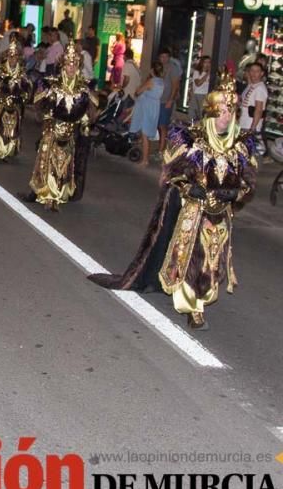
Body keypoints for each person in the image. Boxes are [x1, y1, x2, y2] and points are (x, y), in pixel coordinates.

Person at [89, 74, 258, 330]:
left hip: (220, 215)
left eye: (231, 111)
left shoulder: (241, 146)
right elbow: (172, 171)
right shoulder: (191, 140)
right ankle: (194, 308)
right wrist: (190, 187)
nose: (226, 116)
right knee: (192, 260)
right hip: (194, 212)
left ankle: (201, 298)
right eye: (222, 111)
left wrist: (236, 194)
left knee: (211, 263)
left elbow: (248, 181)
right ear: (212, 111)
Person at [26, 41, 99, 210]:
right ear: (63, 66)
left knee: (64, 164)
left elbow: (93, 108)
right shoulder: (53, 84)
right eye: (68, 65)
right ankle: (49, 195)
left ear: (78, 67)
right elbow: (38, 100)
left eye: (74, 65)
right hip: (52, 131)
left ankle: (59, 193)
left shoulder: (83, 88)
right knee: (49, 162)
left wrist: (85, 122)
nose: (71, 68)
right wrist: (48, 113)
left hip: (70, 133)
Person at [128, 62, 164, 164]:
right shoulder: (161, 82)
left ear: (152, 71)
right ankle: (143, 156)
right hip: (154, 107)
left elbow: (138, 91)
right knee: (146, 133)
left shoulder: (151, 81)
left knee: (144, 135)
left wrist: (138, 89)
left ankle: (145, 160)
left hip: (146, 108)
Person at [156, 47, 182, 154]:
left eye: (166, 57)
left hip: (166, 100)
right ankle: (161, 146)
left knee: (163, 125)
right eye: (162, 57)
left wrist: (170, 100)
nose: (164, 59)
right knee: (158, 124)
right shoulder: (159, 67)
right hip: (157, 100)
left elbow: (175, 86)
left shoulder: (173, 68)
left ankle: (161, 150)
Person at [239, 62, 268, 134]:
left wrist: (252, 128)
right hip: (243, 123)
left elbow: (259, 110)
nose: (254, 73)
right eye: (252, 70)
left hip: (249, 125)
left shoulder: (260, 88)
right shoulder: (252, 85)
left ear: (261, 73)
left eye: (257, 71)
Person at [188, 55, 212, 121]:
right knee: (192, 113)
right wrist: (207, 74)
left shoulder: (211, 74)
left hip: (205, 95)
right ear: (202, 63)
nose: (207, 64)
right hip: (197, 94)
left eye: (209, 62)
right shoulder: (197, 72)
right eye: (205, 62)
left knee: (202, 113)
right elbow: (198, 83)